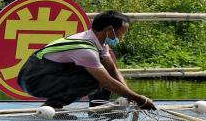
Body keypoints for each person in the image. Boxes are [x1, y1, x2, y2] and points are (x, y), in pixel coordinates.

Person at [18, 10, 156, 113]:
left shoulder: (99, 42)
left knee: (103, 71)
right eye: (122, 33)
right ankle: (52, 107)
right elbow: (106, 81)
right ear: (109, 30)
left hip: (50, 74)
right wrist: (140, 100)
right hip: (33, 79)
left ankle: (98, 109)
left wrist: (130, 95)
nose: (122, 37)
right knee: (96, 79)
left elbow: (112, 70)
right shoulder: (85, 49)